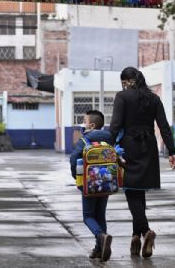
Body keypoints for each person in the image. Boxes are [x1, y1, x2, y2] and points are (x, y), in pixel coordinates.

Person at [109, 67, 175, 259]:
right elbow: (163, 126)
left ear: (125, 80)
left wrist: (106, 146)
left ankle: (146, 231)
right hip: (148, 146)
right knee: (139, 191)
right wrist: (172, 152)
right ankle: (135, 238)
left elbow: (115, 125)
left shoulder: (122, 96)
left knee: (131, 190)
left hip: (128, 147)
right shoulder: (153, 98)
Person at [69, 110, 114, 261]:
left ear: (92, 125)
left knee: (88, 216)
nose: (83, 122)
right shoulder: (110, 139)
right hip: (107, 182)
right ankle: (99, 249)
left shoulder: (85, 140)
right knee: (100, 215)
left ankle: (101, 236)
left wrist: (77, 178)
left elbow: (74, 158)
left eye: (85, 120)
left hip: (89, 184)